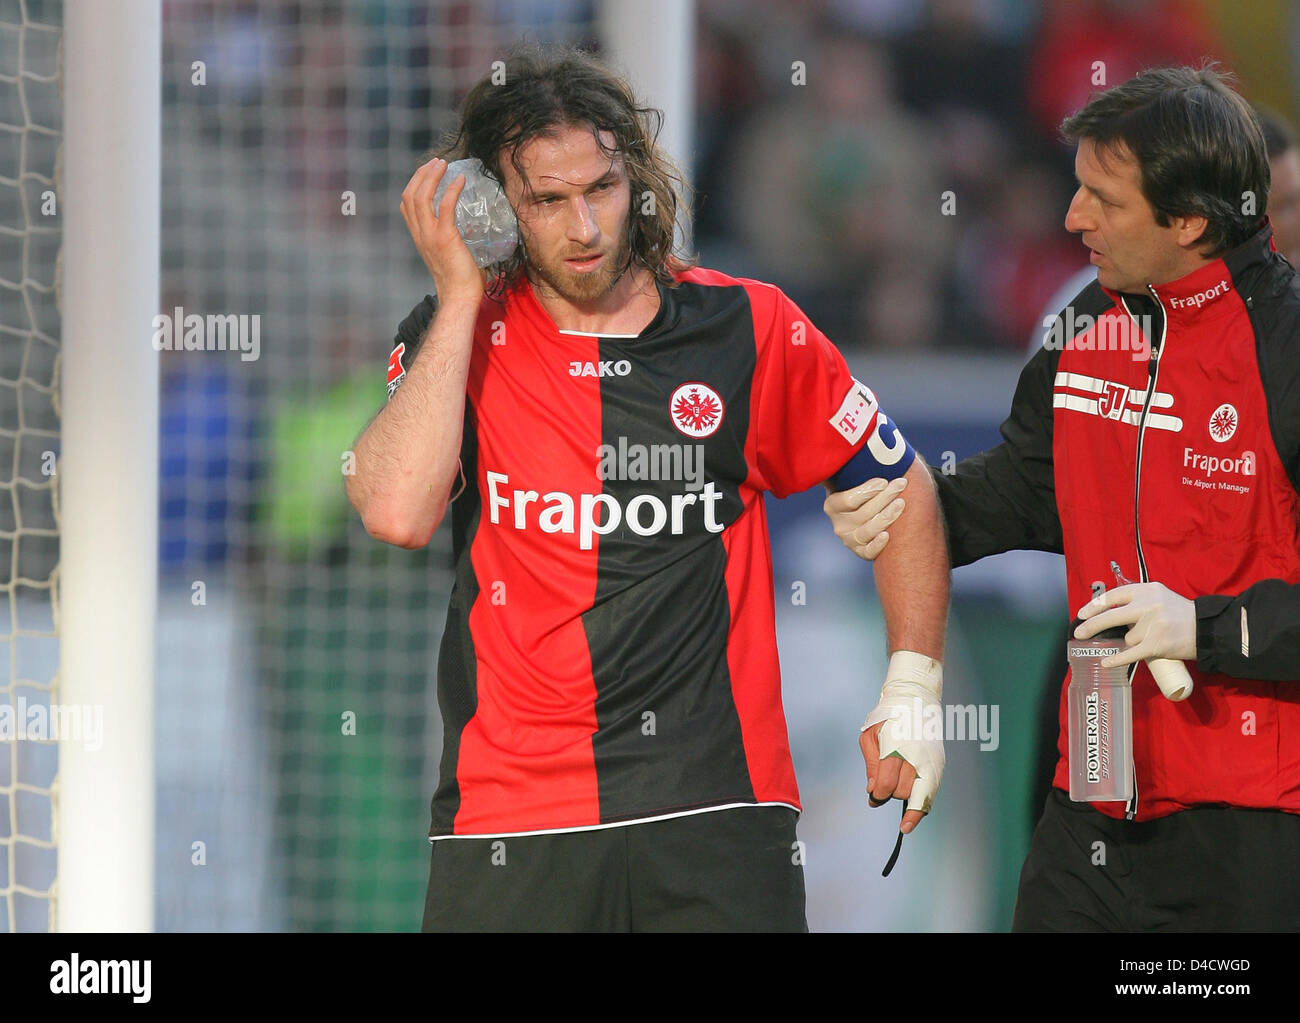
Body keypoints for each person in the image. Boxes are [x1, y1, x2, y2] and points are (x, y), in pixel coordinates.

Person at [344, 45, 950, 932]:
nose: (584, 226)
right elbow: (395, 509)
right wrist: (459, 293)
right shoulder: (459, 337)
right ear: (492, 208)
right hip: (509, 818)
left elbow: (905, 491)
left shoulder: (748, 326)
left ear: (639, 176)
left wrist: (911, 691)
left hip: (718, 810)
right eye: (546, 200)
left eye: (601, 187)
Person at [825, 65, 1300, 931]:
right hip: (1092, 789)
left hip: (1256, 816)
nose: (1073, 219)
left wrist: (1207, 626)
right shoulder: (1084, 321)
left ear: (1189, 220)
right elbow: (1021, 487)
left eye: (1103, 200)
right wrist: (905, 502)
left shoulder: (1289, 348)